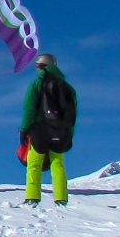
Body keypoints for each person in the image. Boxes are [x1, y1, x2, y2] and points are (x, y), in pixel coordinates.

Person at [20, 53, 75, 207]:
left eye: (37, 66)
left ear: (42, 66)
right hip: (61, 131)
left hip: (39, 130)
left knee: (34, 164)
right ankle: (61, 198)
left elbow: (29, 109)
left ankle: (32, 198)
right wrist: (69, 134)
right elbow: (72, 114)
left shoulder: (36, 84)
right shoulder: (68, 88)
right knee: (58, 164)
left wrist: (24, 129)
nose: (36, 69)